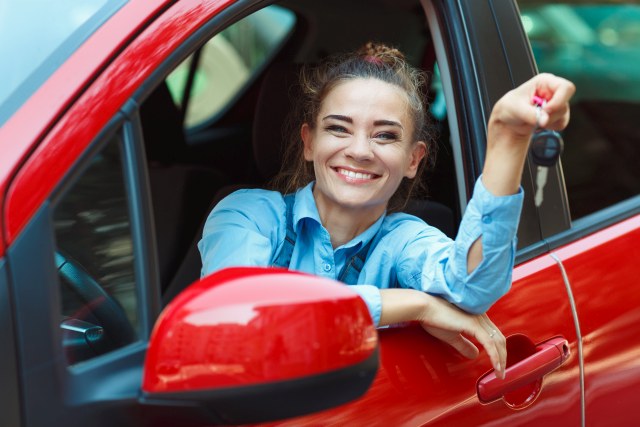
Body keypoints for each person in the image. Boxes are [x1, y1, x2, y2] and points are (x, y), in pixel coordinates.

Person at [198, 42, 575, 379]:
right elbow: (237, 317)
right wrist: (416, 305)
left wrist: (507, 139)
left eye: (385, 135)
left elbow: (471, 288)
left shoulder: (403, 238)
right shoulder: (245, 214)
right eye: (339, 129)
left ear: (413, 159)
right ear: (309, 142)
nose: (360, 150)